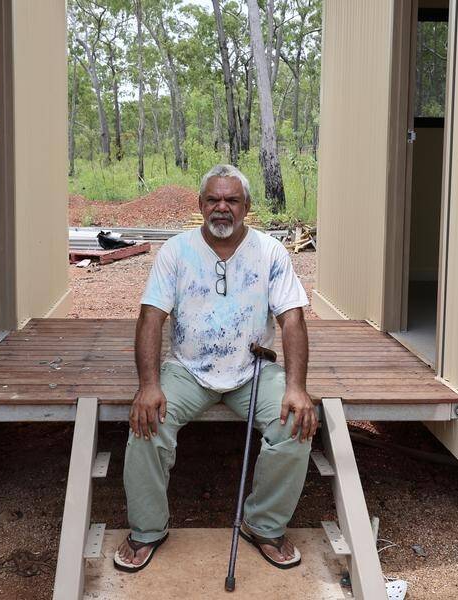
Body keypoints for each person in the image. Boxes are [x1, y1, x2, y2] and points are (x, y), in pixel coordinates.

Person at [113, 164, 318, 573]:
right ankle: (148, 529)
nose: (222, 207)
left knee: (295, 423)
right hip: (188, 370)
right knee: (147, 423)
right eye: (213, 199)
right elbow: (151, 318)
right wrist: (148, 385)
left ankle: (263, 524)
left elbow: (292, 319)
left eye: (232, 200)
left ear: (247, 206)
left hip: (252, 370)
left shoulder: (270, 251)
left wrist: (296, 387)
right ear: (200, 204)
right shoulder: (176, 251)